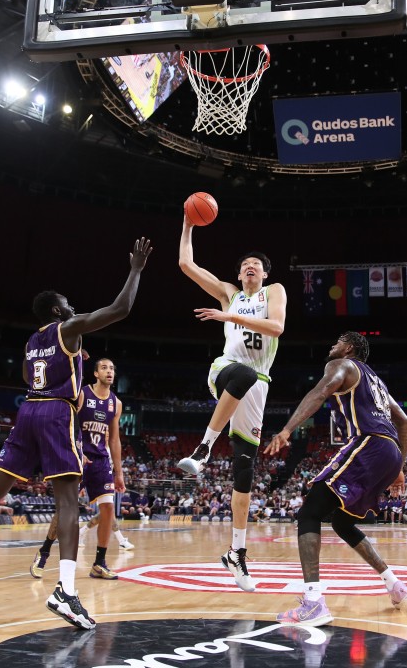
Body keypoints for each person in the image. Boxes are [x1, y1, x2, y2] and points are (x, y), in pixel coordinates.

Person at [0, 236, 152, 631]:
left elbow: (30, 377)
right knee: (68, 503)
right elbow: (121, 308)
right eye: (68, 305)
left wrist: (72, 364)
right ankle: (66, 591)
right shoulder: (69, 327)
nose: (73, 308)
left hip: (27, 411)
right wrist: (136, 269)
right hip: (58, 415)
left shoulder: (30, 343)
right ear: (58, 310)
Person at [264, 332, 407, 625]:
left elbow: (319, 392)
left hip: (369, 444)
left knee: (309, 512)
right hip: (391, 451)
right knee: (341, 521)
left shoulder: (342, 365)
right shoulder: (378, 382)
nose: (332, 345)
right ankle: (394, 584)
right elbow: (405, 422)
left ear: (349, 348)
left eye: (337, 342)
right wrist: (399, 467)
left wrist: (286, 429)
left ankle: (313, 603)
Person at [175, 217, 286, 592]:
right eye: (243, 264)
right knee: (240, 374)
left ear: (265, 273)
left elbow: (277, 328)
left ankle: (236, 552)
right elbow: (187, 266)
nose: (249, 267)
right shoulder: (229, 293)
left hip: (260, 385)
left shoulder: (273, 293)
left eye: (255, 264)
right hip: (225, 372)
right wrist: (189, 225)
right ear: (238, 275)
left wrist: (228, 316)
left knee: (244, 473)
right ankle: (204, 448)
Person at [32, 357, 130, 581]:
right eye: (104, 368)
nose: (109, 371)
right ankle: (44, 551)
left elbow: (114, 440)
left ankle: (99, 563)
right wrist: (76, 448)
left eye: (112, 368)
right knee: (66, 509)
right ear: (95, 373)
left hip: (100, 459)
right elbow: (68, 420)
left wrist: (119, 471)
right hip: (76, 456)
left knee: (108, 510)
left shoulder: (116, 403)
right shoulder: (83, 393)